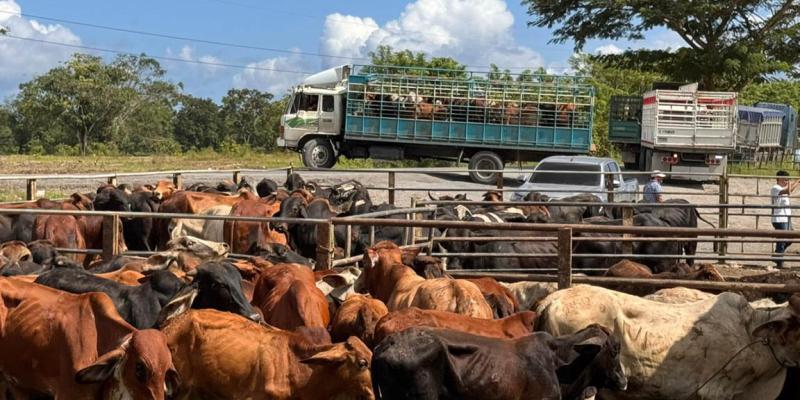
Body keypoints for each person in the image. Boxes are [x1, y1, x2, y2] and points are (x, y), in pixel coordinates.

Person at [772, 170, 800, 268]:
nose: (786, 181)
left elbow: (790, 189)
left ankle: (777, 255)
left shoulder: (783, 187)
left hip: (786, 218)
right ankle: (779, 261)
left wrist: (797, 181)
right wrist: (792, 183)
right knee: (782, 240)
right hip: (779, 218)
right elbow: (788, 191)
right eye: (785, 179)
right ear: (779, 179)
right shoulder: (775, 188)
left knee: (790, 238)